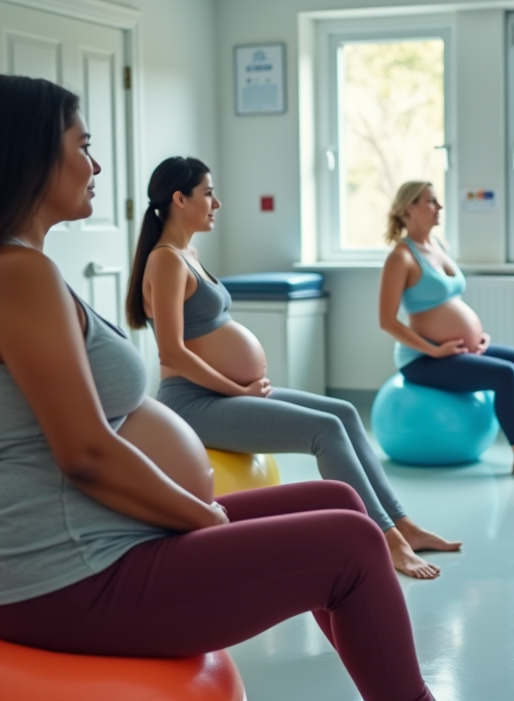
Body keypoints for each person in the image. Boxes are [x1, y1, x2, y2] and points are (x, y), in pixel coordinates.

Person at [0, 74, 514, 701]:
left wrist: (194, 512)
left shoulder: (10, 268)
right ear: (26, 158)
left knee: (336, 500)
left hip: (84, 543)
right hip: (65, 573)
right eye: (83, 145)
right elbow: (85, 453)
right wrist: (202, 518)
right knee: (352, 544)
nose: (97, 164)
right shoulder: (16, 275)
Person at [126, 158, 458, 580]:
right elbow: (171, 352)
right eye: (208, 193)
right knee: (325, 431)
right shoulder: (166, 260)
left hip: (224, 394)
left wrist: (238, 388)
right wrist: (236, 390)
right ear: (179, 199)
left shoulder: (189, 254)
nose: (217, 203)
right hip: (194, 403)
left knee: (345, 413)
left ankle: (403, 524)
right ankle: (388, 541)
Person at [379, 181, 514, 477]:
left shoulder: (439, 246)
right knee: (506, 374)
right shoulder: (401, 257)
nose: (439, 207)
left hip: (457, 349)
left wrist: (475, 335)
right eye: (432, 201)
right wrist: (435, 350)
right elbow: (387, 321)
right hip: (422, 360)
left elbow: (448, 301)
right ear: (410, 207)